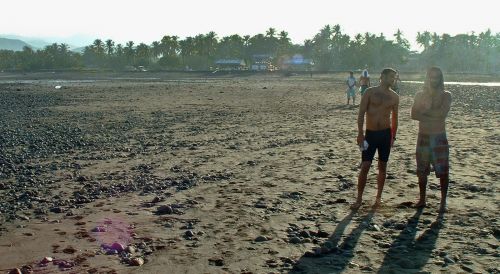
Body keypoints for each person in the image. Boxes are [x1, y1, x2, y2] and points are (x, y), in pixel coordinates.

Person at [351, 68, 399, 210]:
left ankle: (378, 198)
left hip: (385, 135)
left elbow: (395, 119)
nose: (393, 79)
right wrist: (360, 133)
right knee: (365, 165)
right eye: (391, 77)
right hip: (369, 134)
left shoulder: (394, 96)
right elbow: (361, 114)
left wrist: (393, 136)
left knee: (382, 167)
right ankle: (359, 199)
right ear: (382, 76)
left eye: (394, 77)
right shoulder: (369, 92)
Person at [411, 67, 452, 213]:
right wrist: (430, 114)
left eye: (436, 77)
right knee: (421, 170)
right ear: (427, 78)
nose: (433, 80)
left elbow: (442, 114)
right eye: (431, 77)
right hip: (423, 136)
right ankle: (422, 199)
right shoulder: (420, 94)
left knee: (443, 171)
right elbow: (413, 114)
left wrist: (425, 111)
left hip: (439, 136)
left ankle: (443, 202)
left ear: (440, 79)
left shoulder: (446, 95)